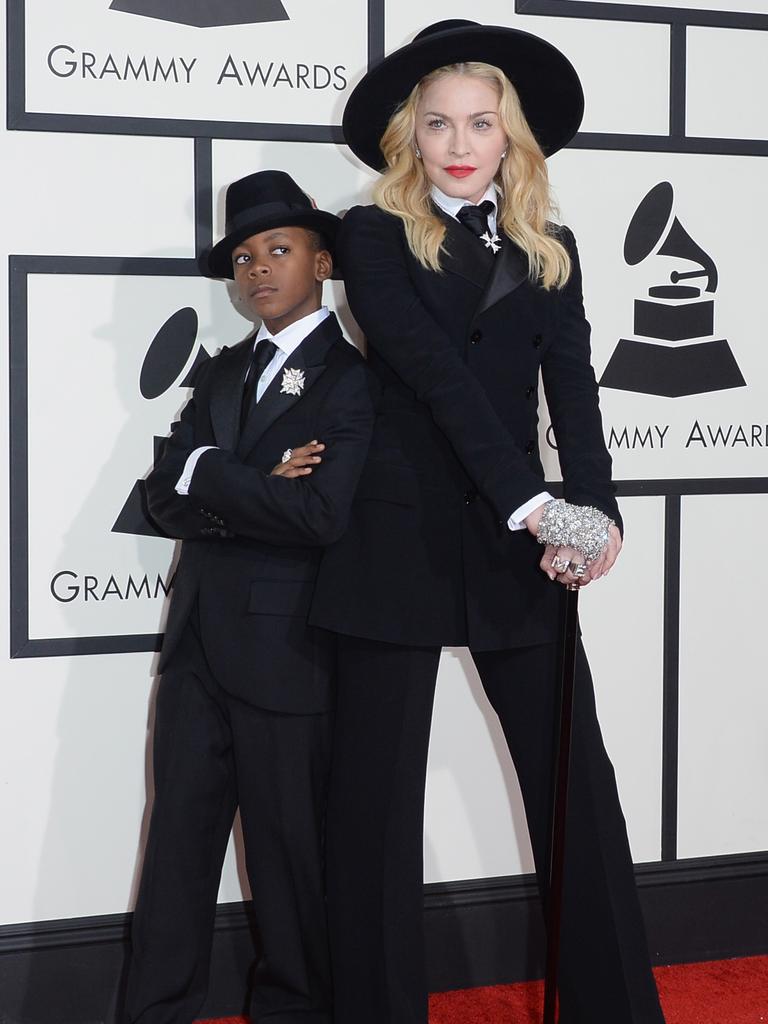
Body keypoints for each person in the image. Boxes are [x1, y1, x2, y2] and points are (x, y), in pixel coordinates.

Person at [311, 20, 665, 1024]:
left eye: (481, 122)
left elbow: (575, 389)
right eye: (437, 124)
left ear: (511, 135)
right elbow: (435, 377)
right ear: (408, 137)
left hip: (524, 543)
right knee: (375, 807)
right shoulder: (371, 234)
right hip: (401, 536)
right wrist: (537, 502)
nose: (460, 143)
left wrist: (596, 508)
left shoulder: (553, 247)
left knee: (577, 792)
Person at [124, 170, 377, 1024]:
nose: (258, 269)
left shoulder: (355, 380)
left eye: (278, 249)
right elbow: (160, 496)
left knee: (286, 857)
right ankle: (154, 1012)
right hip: (195, 648)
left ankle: (295, 1013)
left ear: (322, 260)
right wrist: (236, 478)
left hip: (287, 654)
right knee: (175, 853)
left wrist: (211, 479)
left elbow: (316, 513)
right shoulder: (225, 373)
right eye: (243, 256)